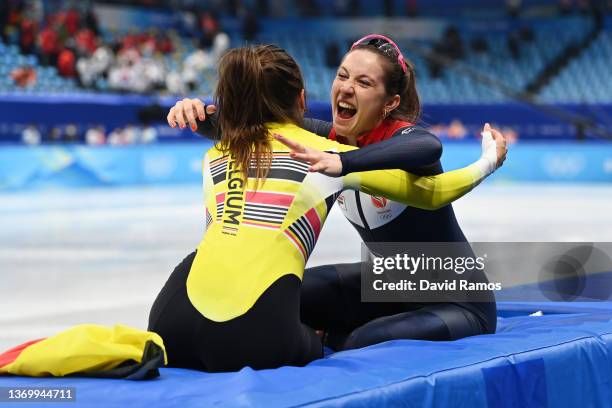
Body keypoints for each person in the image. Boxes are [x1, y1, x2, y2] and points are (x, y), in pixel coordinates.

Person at [150, 44, 505, 372]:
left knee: (357, 343)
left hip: (455, 297)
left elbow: (429, 146)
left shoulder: (400, 143)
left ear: (390, 103)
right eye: (342, 76)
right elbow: (261, 121)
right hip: (389, 283)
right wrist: (194, 114)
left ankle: (328, 336)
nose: (347, 87)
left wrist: (344, 163)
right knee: (291, 297)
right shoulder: (324, 141)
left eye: (364, 82)